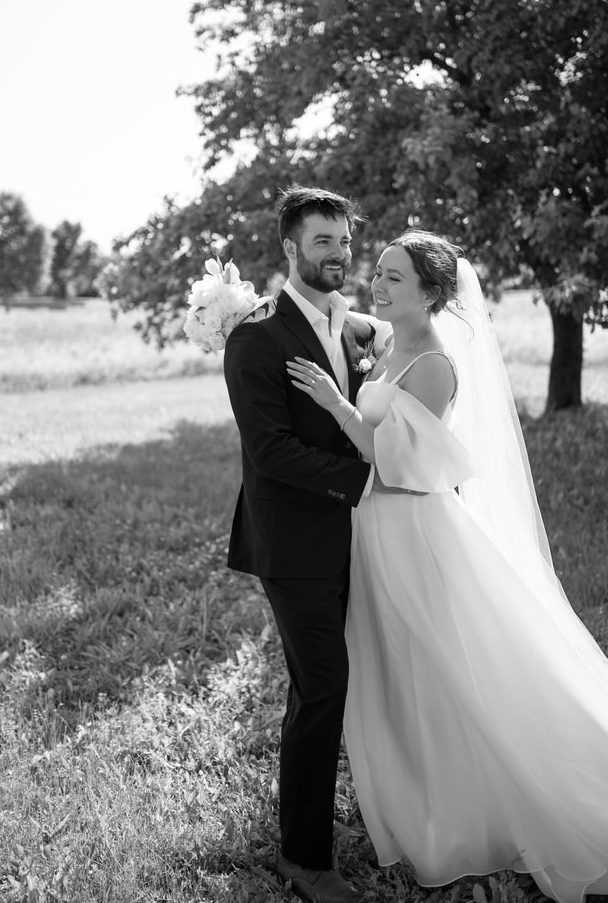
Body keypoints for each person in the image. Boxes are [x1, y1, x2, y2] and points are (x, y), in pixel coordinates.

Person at [287, 229, 608, 903]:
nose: (376, 283)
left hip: (412, 530)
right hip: (375, 532)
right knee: (401, 670)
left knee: (444, 670)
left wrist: (335, 402)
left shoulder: (434, 365)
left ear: (433, 292)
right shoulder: (389, 342)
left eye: (394, 278)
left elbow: (401, 466)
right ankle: (430, 801)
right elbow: (369, 340)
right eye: (377, 271)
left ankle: (474, 811)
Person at [223, 185, 387, 903]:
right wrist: (366, 477)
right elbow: (270, 451)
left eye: (345, 242)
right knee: (323, 687)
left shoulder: (346, 321)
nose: (338, 255)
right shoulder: (257, 336)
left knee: (338, 682)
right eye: (323, 242)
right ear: (289, 247)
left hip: (357, 540)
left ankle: (356, 810)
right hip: (293, 544)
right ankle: (304, 856)